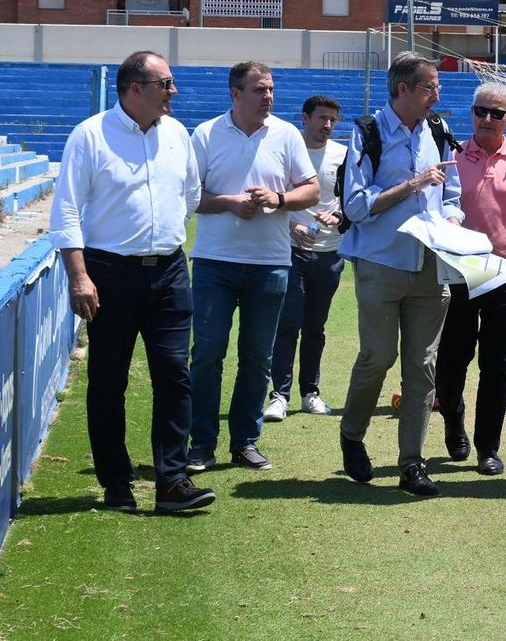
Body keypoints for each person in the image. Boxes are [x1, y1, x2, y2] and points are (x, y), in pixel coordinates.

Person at [49, 51, 214, 513]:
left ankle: (172, 481)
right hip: (109, 274)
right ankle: (116, 484)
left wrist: (159, 238)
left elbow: (190, 195)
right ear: (134, 88)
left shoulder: (178, 134)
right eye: (166, 83)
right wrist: (78, 275)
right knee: (107, 381)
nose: (174, 91)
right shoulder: (90, 135)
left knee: (175, 376)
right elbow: (65, 209)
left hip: (169, 270)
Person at [337, 51, 464, 497]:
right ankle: (352, 434)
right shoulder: (367, 133)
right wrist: (410, 185)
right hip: (381, 262)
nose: (437, 94)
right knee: (378, 356)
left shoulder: (439, 131)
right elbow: (355, 206)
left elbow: (452, 194)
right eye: (430, 87)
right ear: (403, 89)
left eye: (438, 87)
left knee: (423, 366)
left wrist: (453, 220)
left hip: (432, 264)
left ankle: (412, 464)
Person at [187, 62, 319, 473]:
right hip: (214, 262)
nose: (268, 97)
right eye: (260, 90)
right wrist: (230, 203)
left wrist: (277, 200)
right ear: (235, 93)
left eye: (271, 89)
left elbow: (312, 190)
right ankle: (202, 444)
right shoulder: (205, 134)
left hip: (270, 264)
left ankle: (245, 441)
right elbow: (190, 196)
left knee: (257, 358)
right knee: (207, 355)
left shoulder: (286, 134)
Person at [435, 83, 506, 476]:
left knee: (497, 365)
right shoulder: (452, 157)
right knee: (451, 361)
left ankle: (488, 448)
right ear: (471, 112)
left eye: (497, 113)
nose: (488, 119)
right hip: (459, 271)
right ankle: (453, 421)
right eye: (482, 111)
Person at [263, 95, 349, 423]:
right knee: (288, 323)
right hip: (289, 251)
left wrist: (339, 215)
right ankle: (279, 396)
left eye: (332, 120)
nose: (327, 125)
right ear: (305, 118)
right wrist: (293, 225)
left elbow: (351, 198)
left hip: (330, 253)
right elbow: (271, 199)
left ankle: (310, 393)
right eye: (321, 118)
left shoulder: (343, 155)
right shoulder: (286, 152)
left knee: (316, 327)